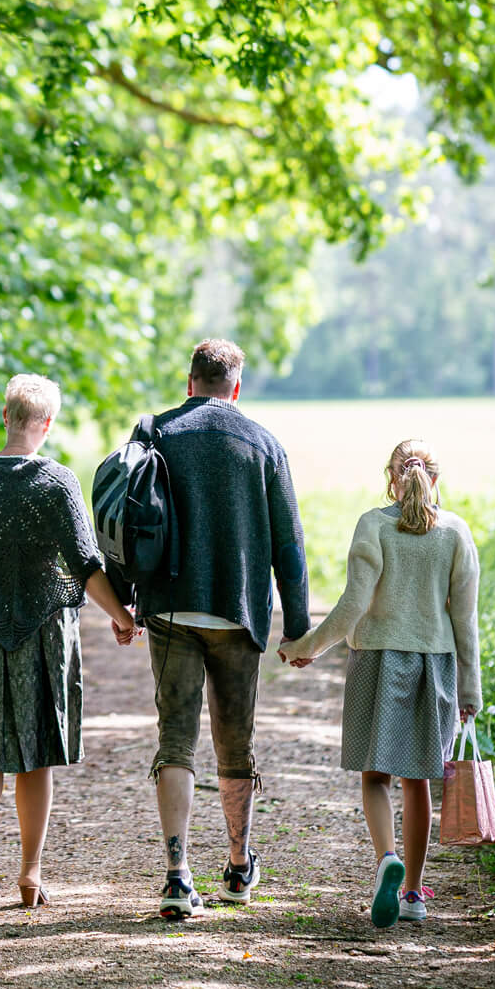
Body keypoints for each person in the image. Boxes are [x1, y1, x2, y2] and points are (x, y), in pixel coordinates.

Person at [0, 372, 135, 907]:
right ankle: (31, 874)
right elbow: (86, 566)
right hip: (43, 629)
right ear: (47, 424)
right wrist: (123, 617)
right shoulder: (58, 481)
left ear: (5, 417)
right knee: (36, 752)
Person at [137, 337, 310, 920]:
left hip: (169, 608)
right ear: (236, 387)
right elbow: (289, 545)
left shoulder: (153, 432)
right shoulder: (264, 444)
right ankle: (238, 867)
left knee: (175, 741)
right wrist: (298, 628)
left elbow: (123, 514)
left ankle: (177, 875)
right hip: (238, 613)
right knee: (235, 746)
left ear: (190, 383)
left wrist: (125, 601)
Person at [279, 437, 480, 929]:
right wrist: (470, 690)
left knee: (376, 775)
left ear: (391, 478)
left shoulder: (374, 524)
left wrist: (306, 647)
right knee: (417, 780)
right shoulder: (456, 532)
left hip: (378, 659)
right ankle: (413, 892)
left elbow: (352, 605)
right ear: (436, 480)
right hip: (437, 663)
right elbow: (466, 621)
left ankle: (385, 857)